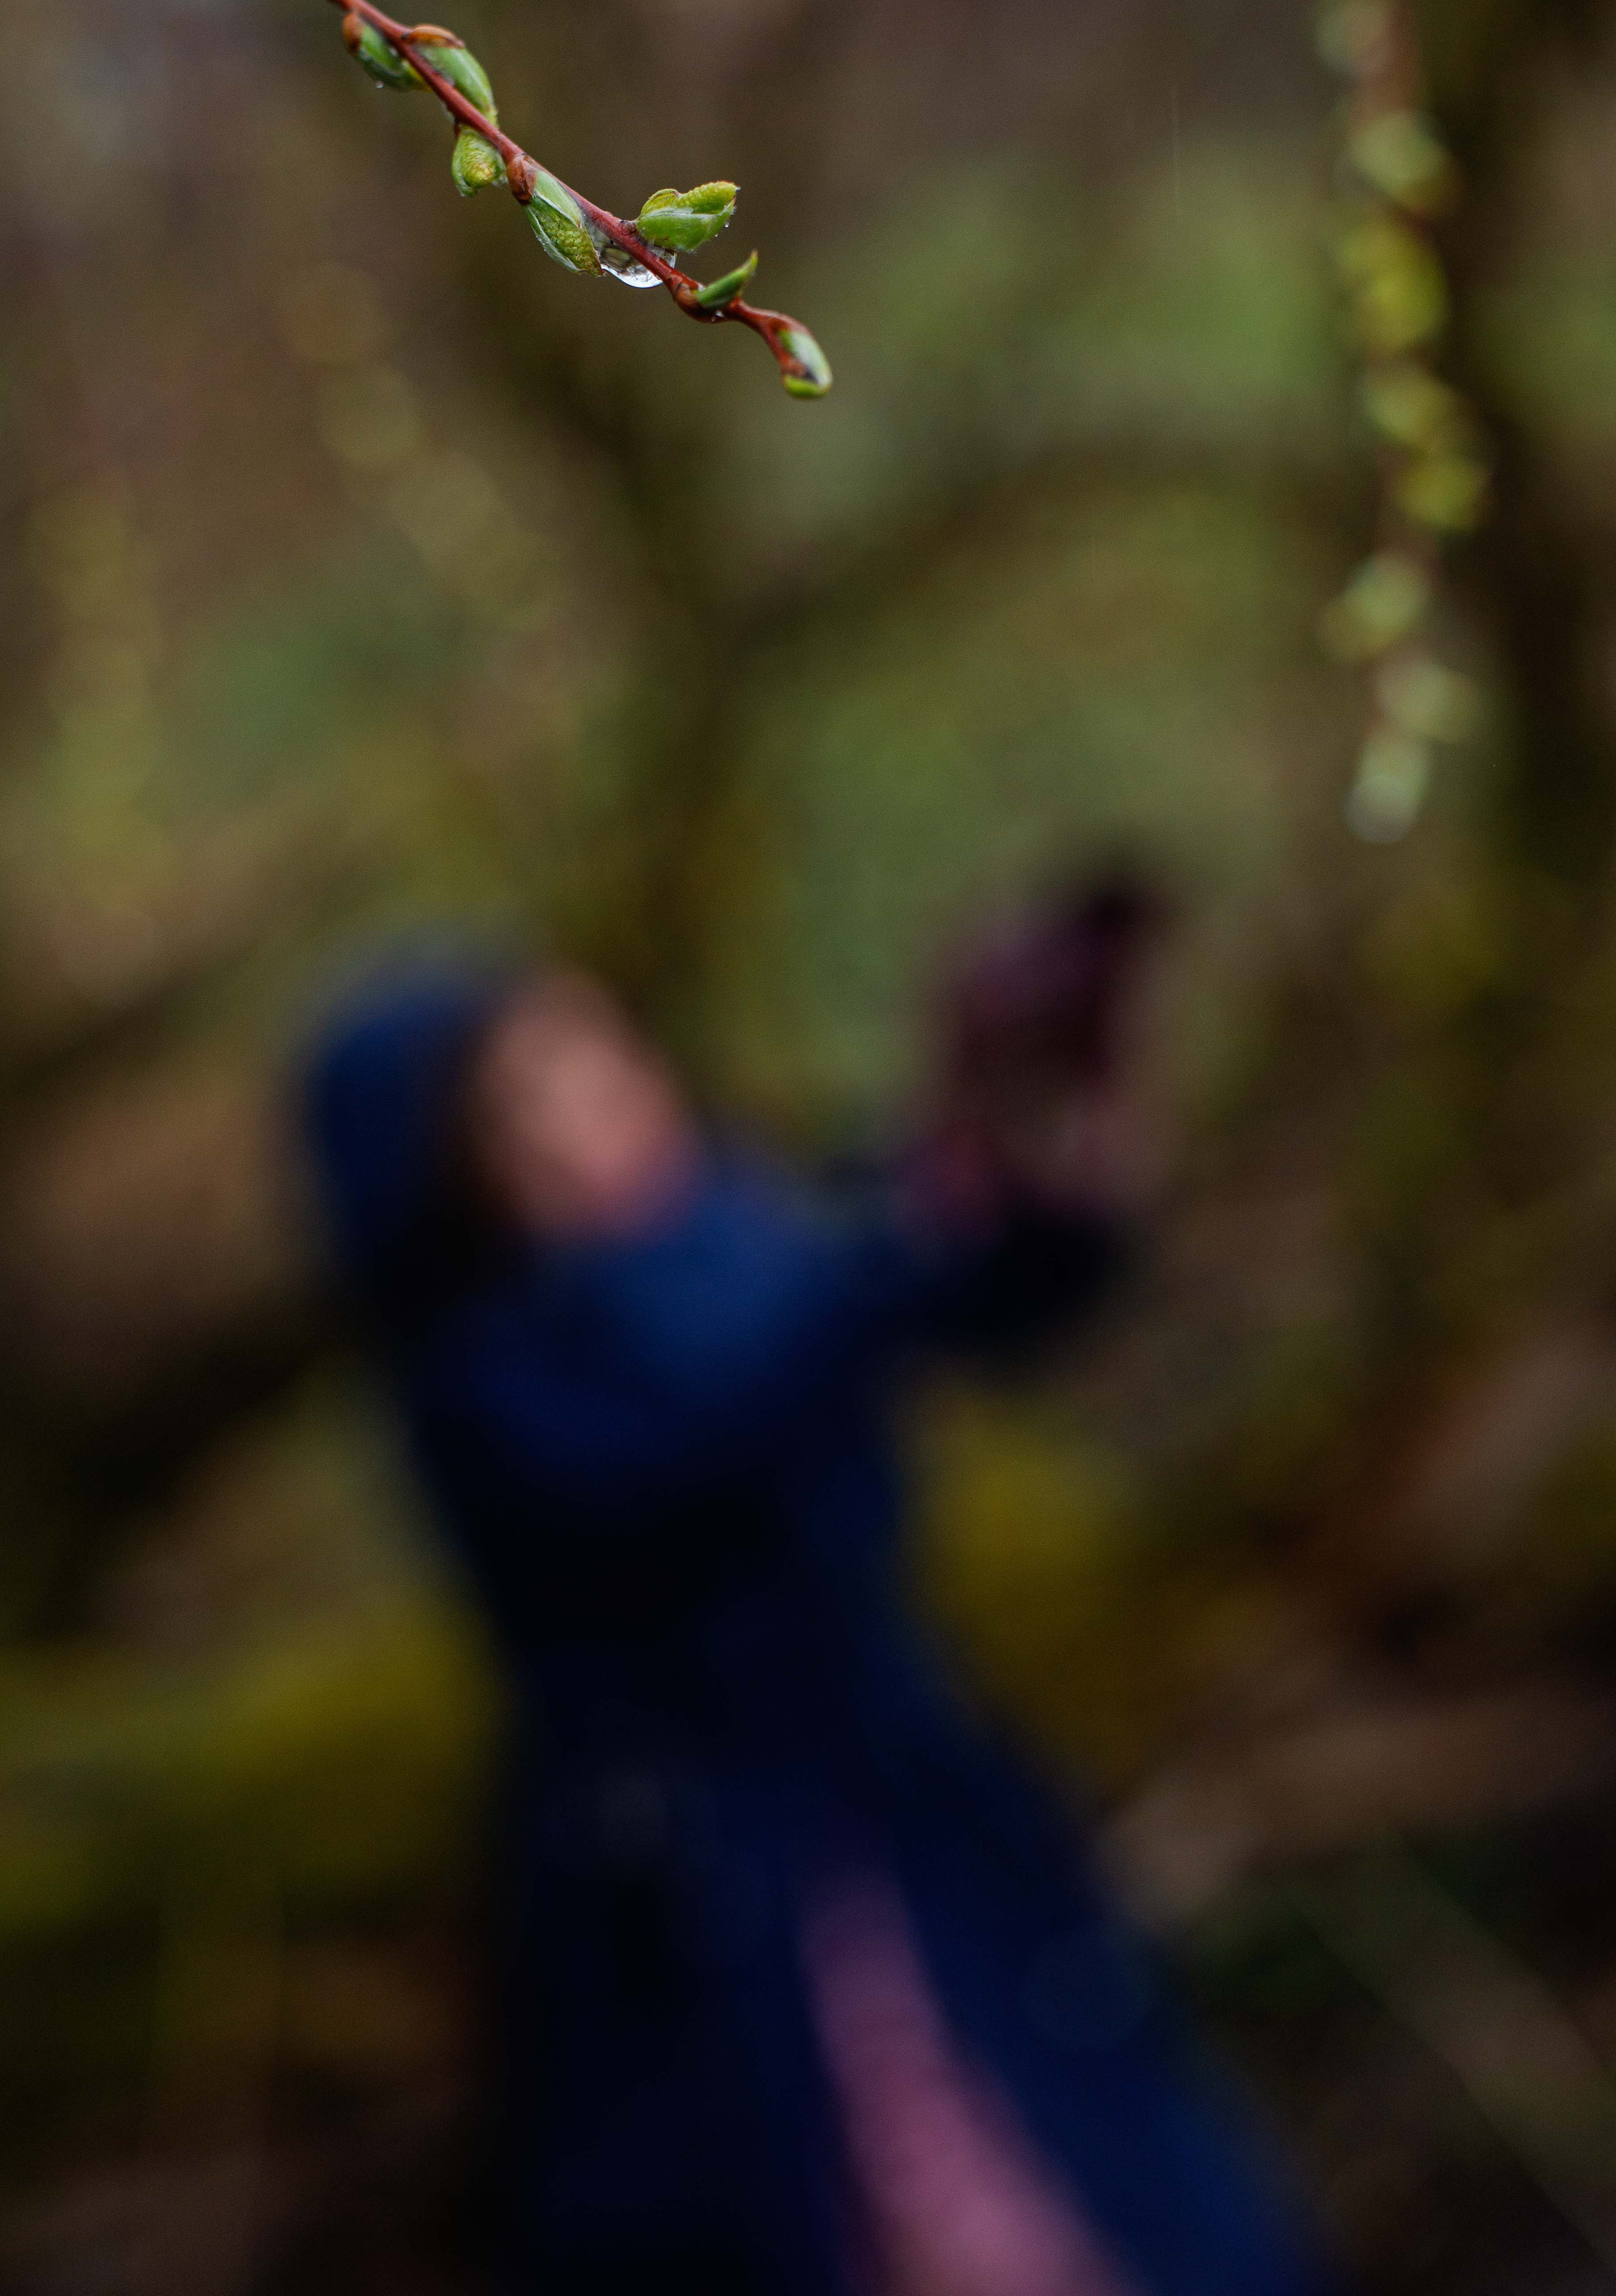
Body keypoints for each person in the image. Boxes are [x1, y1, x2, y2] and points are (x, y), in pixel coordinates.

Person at [300, 887, 1334, 2296]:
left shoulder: (748, 1229)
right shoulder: (489, 1374)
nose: (579, 1118)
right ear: (443, 1180)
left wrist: (1038, 1107)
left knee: (1130, 2209)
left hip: (912, 1811)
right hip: (699, 1901)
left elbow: (984, 1288)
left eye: (584, 1061)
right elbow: (726, 1394)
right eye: (513, 1111)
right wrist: (927, 1191)